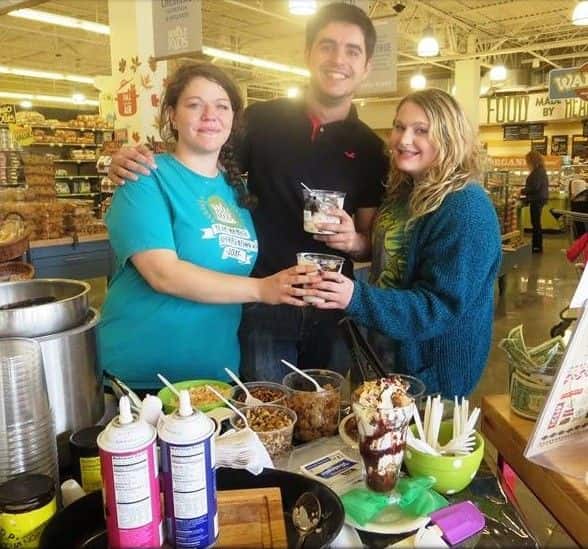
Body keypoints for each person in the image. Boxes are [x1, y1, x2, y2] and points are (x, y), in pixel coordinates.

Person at [107, 3, 389, 384]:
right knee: (263, 418)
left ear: (368, 66)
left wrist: (353, 239)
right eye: (327, 45)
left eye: (352, 50)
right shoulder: (260, 121)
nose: (338, 59)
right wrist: (134, 160)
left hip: (330, 304)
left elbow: (370, 242)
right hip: (260, 305)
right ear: (308, 54)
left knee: (324, 418)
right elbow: (203, 161)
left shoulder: (372, 148)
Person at [98, 63, 318, 390]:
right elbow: (162, 273)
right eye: (194, 104)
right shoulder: (144, 178)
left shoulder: (235, 190)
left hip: (214, 377)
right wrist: (262, 289)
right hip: (140, 377)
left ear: (233, 119)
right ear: (171, 115)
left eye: (221, 105)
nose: (209, 114)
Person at [308, 89, 502, 398]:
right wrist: (356, 241)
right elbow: (396, 257)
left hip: (426, 374)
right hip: (379, 351)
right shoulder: (405, 191)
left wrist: (355, 297)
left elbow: (438, 307)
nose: (404, 139)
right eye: (399, 127)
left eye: (421, 130)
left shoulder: (465, 208)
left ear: (449, 138)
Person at [521, 150, 549, 253]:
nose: (526, 163)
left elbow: (534, 187)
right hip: (539, 199)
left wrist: (522, 191)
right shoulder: (541, 170)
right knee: (536, 223)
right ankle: (537, 246)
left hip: (537, 200)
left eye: (527, 160)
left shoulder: (537, 172)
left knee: (536, 224)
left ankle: (537, 247)